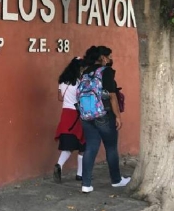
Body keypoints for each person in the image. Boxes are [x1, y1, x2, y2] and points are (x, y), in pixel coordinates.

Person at [79, 45, 130, 194]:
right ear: (102, 57)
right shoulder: (105, 72)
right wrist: (118, 117)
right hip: (104, 114)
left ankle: (86, 184)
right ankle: (116, 180)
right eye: (109, 56)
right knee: (111, 147)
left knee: (90, 147)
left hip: (86, 116)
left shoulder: (85, 72)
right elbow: (112, 96)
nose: (110, 58)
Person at [52, 56, 85, 183]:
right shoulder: (79, 82)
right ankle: (80, 174)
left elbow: (60, 98)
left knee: (68, 144)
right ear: (79, 68)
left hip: (65, 113)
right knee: (83, 144)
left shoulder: (62, 81)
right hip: (77, 113)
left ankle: (59, 165)